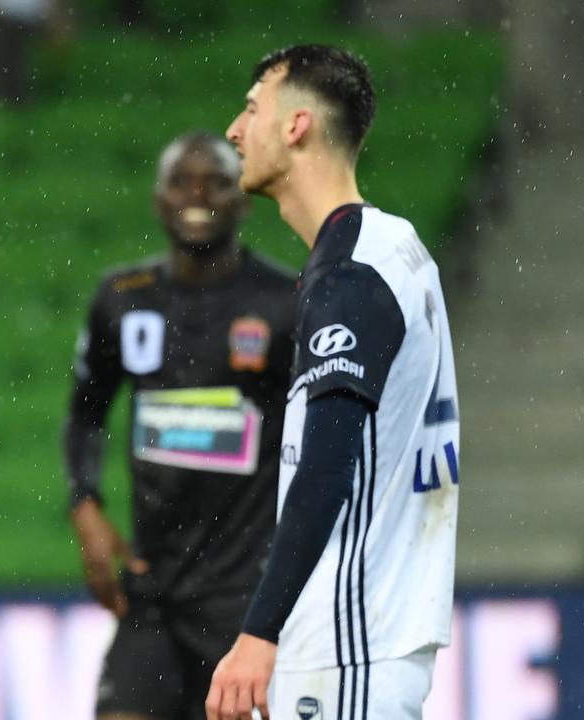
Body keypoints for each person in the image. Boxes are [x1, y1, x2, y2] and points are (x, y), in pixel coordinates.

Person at [208, 44, 460, 720]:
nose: (235, 128)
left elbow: (327, 465)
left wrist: (260, 632)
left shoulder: (349, 276)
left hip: (349, 640)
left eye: (254, 106)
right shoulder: (393, 246)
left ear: (296, 127)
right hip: (378, 635)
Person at [64, 132, 296, 720]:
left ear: (244, 199)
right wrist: (85, 503)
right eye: (181, 181)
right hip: (153, 589)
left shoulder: (284, 302)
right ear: (158, 201)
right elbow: (87, 413)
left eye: (216, 179)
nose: (198, 193)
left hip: (244, 596)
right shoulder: (122, 298)